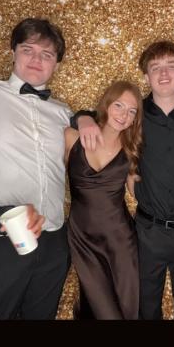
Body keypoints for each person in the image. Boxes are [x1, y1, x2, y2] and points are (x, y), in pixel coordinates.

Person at [76, 41, 174, 319]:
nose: (164, 74)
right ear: (146, 76)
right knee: (145, 308)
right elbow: (100, 118)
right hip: (147, 232)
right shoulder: (133, 115)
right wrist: (83, 119)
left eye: (171, 66)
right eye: (155, 68)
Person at [0, 18, 72, 319]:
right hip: (5, 239)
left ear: (56, 64)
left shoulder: (63, 112)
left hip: (54, 240)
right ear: (12, 52)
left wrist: (87, 118)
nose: (37, 59)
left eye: (46, 54)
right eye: (28, 50)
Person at [63, 81, 141, 319]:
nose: (124, 115)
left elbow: (137, 193)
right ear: (106, 104)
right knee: (99, 307)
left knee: (126, 308)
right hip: (82, 238)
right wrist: (82, 118)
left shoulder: (131, 150)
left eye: (132, 111)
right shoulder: (71, 137)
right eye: (119, 105)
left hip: (120, 239)